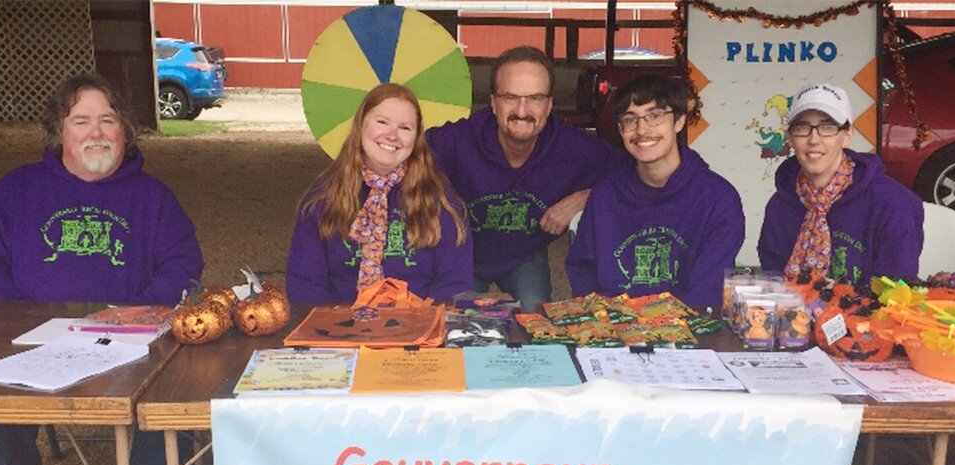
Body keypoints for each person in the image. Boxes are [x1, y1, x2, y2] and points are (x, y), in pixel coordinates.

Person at [0, 73, 204, 465]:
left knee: (178, 388)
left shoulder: (153, 197)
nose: (96, 132)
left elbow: (183, 265)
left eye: (107, 120)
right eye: (81, 120)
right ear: (59, 129)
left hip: (128, 342)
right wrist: (26, 321)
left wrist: (131, 315)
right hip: (31, 343)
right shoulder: (14, 192)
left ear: (126, 132)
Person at [427, 46, 623, 312]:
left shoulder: (572, 147)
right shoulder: (458, 139)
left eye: (535, 98)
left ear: (550, 104)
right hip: (464, 253)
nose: (522, 110)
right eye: (510, 97)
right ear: (493, 103)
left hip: (524, 256)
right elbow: (403, 154)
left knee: (536, 317)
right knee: (456, 324)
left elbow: (634, 172)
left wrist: (582, 198)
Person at [565, 74, 745, 311]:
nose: (642, 129)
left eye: (655, 116)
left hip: (689, 330)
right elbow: (584, 271)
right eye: (630, 120)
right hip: (614, 328)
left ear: (679, 121)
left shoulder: (718, 199)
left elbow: (707, 290)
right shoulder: (605, 194)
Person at [286, 83, 471, 305]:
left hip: (417, 329)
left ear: (416, 138)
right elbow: (304, 284)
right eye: (382, 122)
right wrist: (340, 328)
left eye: (405, 128)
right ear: (361, 126)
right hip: (339, 328)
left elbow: (455, 284)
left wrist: (421, 326)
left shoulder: (442, 202)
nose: (392, 135)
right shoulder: (322, 200)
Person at [758, 83, 923, 284]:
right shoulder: (780, 206)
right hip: (794, 314)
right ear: (790, 139)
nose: (814, 139)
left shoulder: (892, 202)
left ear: (847, 135)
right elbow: (774, 287)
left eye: (827, 127)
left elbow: (897, 292)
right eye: (802, 128)